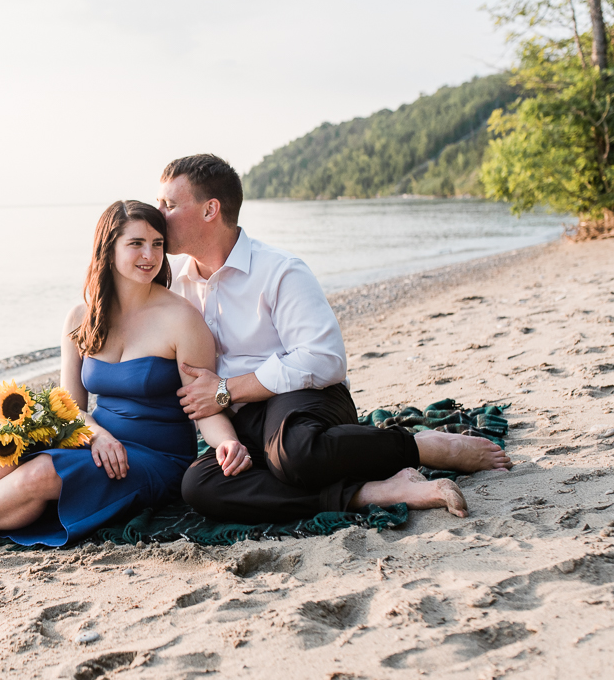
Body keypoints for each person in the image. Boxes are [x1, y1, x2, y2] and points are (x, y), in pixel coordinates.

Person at [0, 200, 253, 548]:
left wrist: (226, 444)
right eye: (136, 243)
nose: (149, 255)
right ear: (107, 249)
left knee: (41, 473)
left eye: (157, 244)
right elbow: (70, 407)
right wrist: (97, 432)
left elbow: (204, 404)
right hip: (98, 441)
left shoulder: (182, 319)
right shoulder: (81, 317)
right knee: (0, 456)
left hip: (155, 458)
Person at [156, 154, 511, 524]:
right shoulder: (172, 281)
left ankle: (419, 446)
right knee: (201, 485)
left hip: (305, 400)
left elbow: (324, 361)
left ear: (210, 209)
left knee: (295, 454)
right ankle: (373, 492)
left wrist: (227, 388)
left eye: (170, 204)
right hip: (237, 418)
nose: (159, 214)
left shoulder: (279, 270)